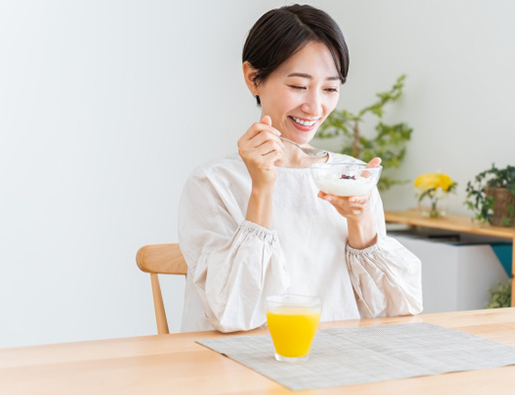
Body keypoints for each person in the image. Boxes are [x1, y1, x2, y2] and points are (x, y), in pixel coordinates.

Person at [178, 4, 422, 333]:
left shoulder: (350, 177)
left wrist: (359, 222)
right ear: (253, 78)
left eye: (330, 89)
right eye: (297, 85)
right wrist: (262, 188)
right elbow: (231, 313)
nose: (315, 106)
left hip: (332, 367)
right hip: (237, 370)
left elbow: (395, 311)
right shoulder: (213, 183)